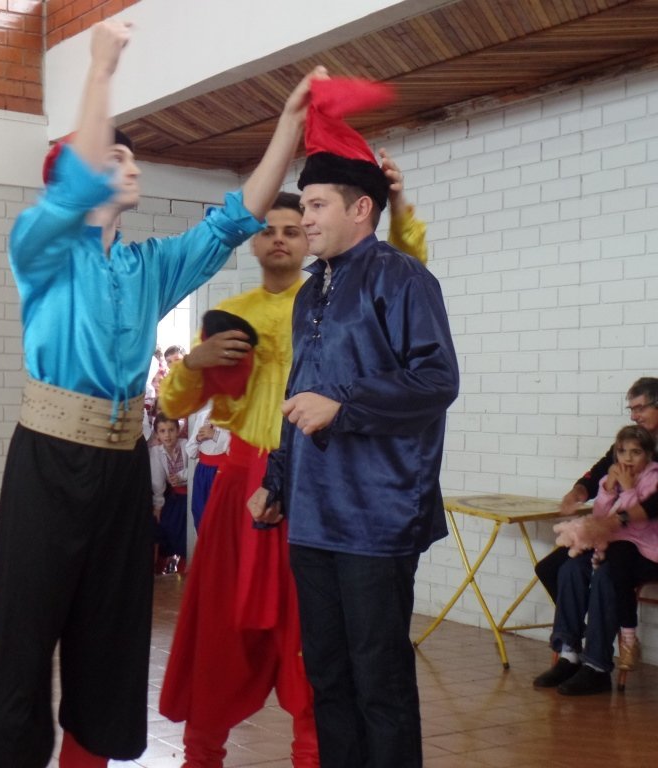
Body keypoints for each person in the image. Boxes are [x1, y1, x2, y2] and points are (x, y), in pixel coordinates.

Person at [0, 20, 320, 768]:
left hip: (121, 465)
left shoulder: (147, 267)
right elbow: (76, 179)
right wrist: (99, 70)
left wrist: (288, 127)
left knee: (110, 636)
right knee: (25, 634)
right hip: (47, 462)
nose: (131, 166)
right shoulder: (40, 248)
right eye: (116, 156)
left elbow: (235, 219)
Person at [159, 162, 428, 766]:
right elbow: (176, 406)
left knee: (320, 651)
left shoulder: (344, 298)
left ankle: (317, 755)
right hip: (246, 490)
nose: (284, 236)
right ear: (253, 242)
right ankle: (201, 755)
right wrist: (193, 362)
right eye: (271, 228)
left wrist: (398, 203)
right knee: (223, 641)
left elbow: (406, 278)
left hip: (324, 487)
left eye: (297, 223)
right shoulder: (237, 312)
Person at [249, 77, 459, 768]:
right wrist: (278, 479)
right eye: (303, 204)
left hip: (378, 516)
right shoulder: (311, 290)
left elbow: (437, 381)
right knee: (328, 677)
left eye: (316, 205)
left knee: (379, 681)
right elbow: (298, 393)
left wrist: (345, 406)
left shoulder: (402, 277)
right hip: (313, 516)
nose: (304, 219)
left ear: (361, 208)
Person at [533, 377, 658, 665]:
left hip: (646, 543)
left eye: (640, 408)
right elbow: (600, 471)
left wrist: (615, 519)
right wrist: (578, 492)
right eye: (631, 409)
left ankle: (600, 658)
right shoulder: (633, 440)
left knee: (605, 576)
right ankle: (572, 647)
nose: (634, 416)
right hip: (618, 536)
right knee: (552, 568)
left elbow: (653, 505)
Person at [151, 412, 189, 574]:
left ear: (178, 430)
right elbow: (157, 482)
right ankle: (159, 569)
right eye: (162, 431)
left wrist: (182, 477)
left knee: (188, 535)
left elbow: (195, 468)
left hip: (190, 496)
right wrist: (158, 505)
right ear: (157, 434)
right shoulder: (156, 452)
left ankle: (185, 569)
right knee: (166, 529)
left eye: (171, 430)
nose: (167, 435)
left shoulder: (186, 446)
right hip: (174, 498)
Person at [184, 402, 230, 532]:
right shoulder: (203, 416)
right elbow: (191, 451)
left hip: (222, 472)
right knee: (199, 512)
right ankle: (203, 542)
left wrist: (214, 435)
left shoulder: (233, 417)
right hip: (202, 472)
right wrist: (198, 439)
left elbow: (234, 448)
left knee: (220, 516)